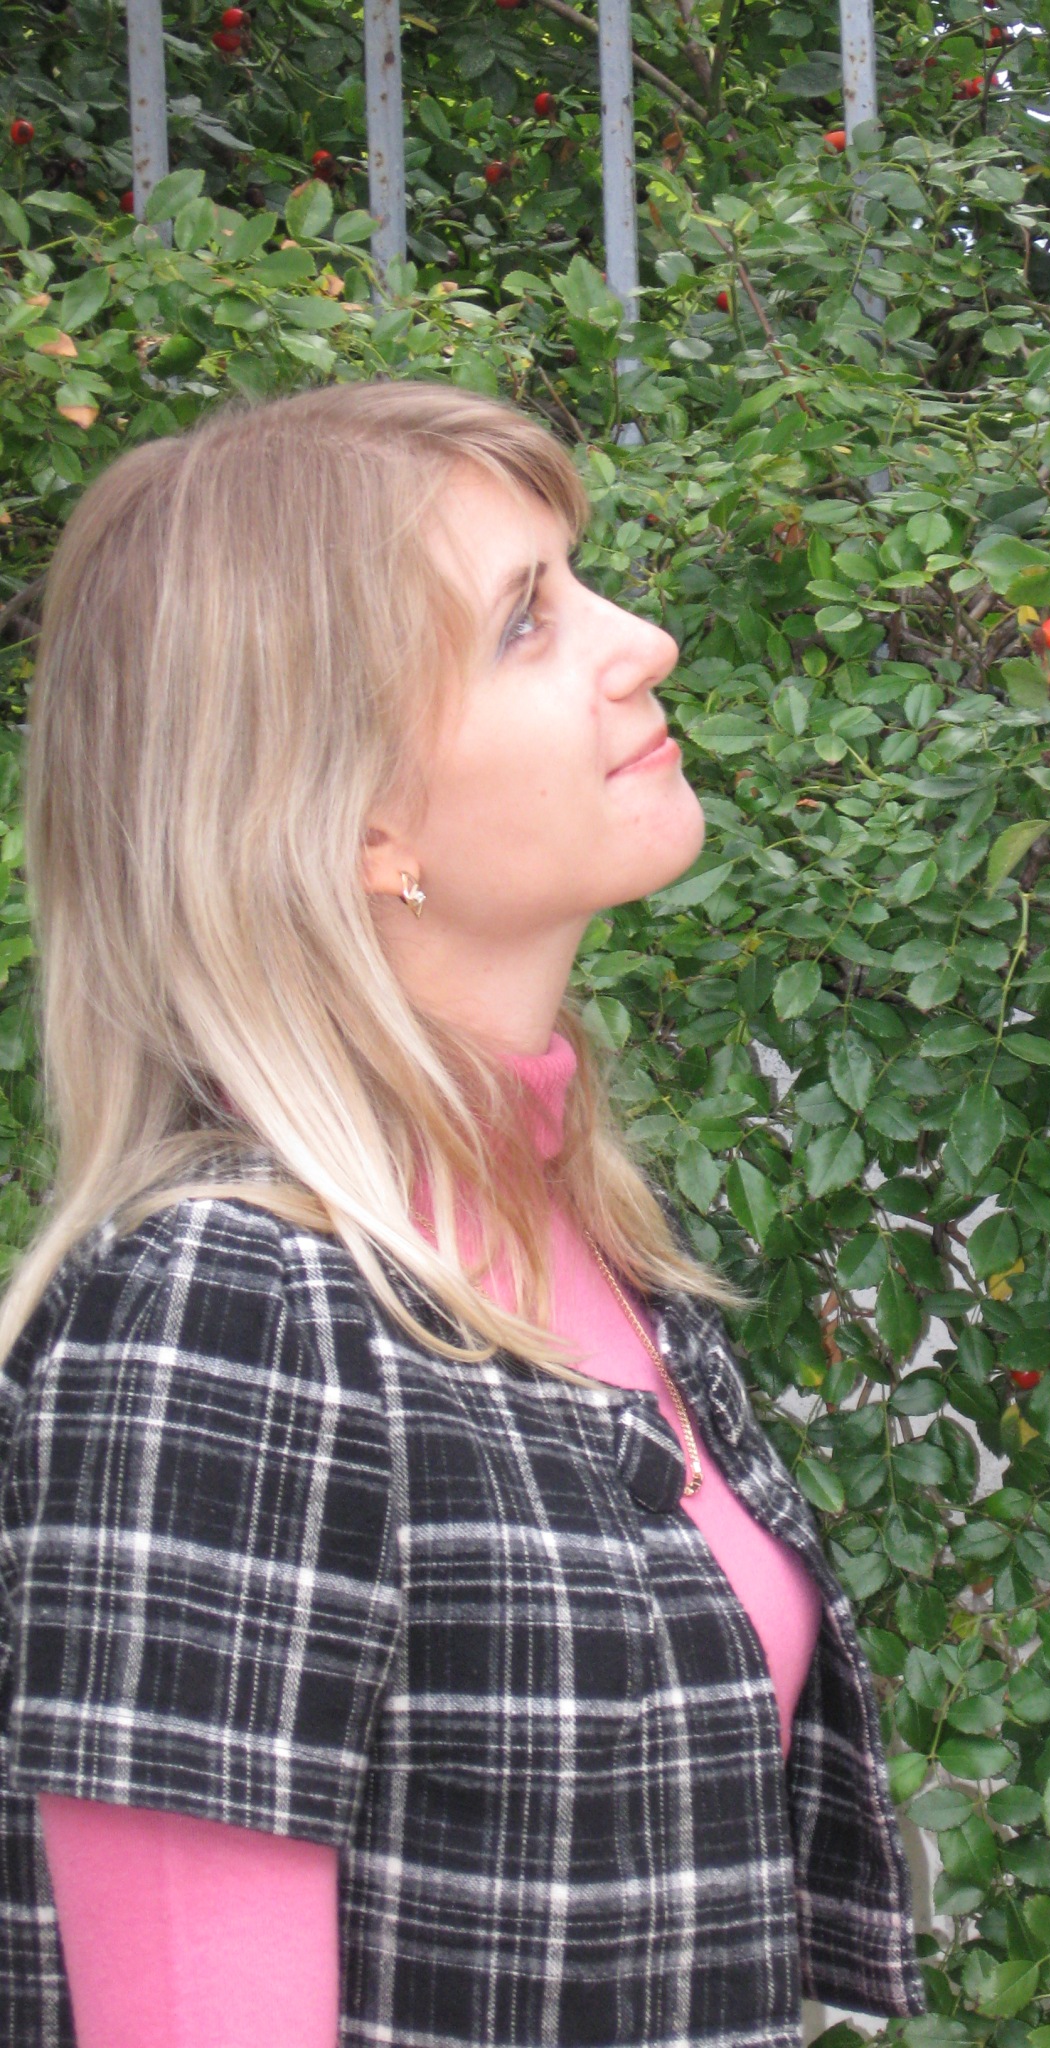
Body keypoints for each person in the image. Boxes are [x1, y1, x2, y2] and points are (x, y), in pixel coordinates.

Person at [0, 382, 924, 2046]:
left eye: (578, 581)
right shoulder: (227, 1311)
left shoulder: (574, 1238)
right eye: (525, 621)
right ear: (358, 821)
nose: (642, 642)